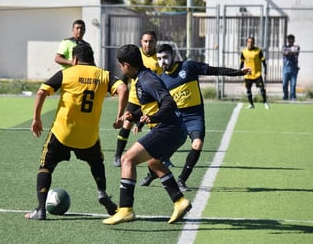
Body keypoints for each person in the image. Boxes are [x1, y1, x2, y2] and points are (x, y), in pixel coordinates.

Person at [25, 44, 128, 220]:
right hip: (88, 137)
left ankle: (41, 210)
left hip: (62, 133)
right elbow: (123, 89)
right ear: (92, 58)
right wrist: (120, 116)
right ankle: (102, 192)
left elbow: (42, 92)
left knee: (46, 167)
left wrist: (36, 118)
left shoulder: (67, 73)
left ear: (74, 59)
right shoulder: (103, 75)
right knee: (97, 163)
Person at [139, 44, 251, 191]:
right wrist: (139, 119)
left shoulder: (188, 67)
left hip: (194, 116)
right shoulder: (160, 80)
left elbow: (214, 70)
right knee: (163, 153)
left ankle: (182, 179)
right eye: (159, 59)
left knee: (197, 144)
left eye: (165, 57)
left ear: (173, 56)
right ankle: (151, 174)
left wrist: (238, 73)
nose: (162, 62)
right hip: (175, 119)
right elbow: (152, 105)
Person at [103, 44, 191, 225]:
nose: (120, 68)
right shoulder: (140, 78)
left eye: (120, 65)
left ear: (126, 65)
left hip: (169, 128)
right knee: (154, 161)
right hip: (175, 129)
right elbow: (153, 106)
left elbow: (169, 103)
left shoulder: (147, 80)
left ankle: (126, 209)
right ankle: (180, 201)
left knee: (127, 159)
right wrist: (135, 116)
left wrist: (150, 117)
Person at [113, 30, 164, 167]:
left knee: (156, 126)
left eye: (151, 41)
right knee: (127, 124)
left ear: (155, 43)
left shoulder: (159, 58)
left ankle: (162, 156)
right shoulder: (135, 55)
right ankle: (118, 155)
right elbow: (126, 76)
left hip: (151, 99)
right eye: (145, 41)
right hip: (135, 98)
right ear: (141, 42)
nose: (148, 44)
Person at [240, 37, 270, 110]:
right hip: (248, 75)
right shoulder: (244, 52)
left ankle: (265, 103)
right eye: (249, 42)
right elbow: (241, 63)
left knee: (262, 89)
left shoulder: (258, 51)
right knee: (248, 90)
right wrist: (239, 72)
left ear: (254, 43)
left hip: (257, 74)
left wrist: (265, 71)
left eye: (251, 42)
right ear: (246, 43)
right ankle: (251, 104)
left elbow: (263, 62)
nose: (250, 43)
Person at [282, 34, 300, 100]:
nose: (290, 40)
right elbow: (285, 53)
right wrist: (291, 52)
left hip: (294, 67)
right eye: (289, 39)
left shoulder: (297, 46)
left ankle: (292, 97)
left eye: (292, 39)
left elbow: (296, 52)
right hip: (286, 67)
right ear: (288, 40)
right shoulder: (284, 47)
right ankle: (285, 96)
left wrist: (289, 52)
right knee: (284, 84)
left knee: (293, 84)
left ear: (294, 40)